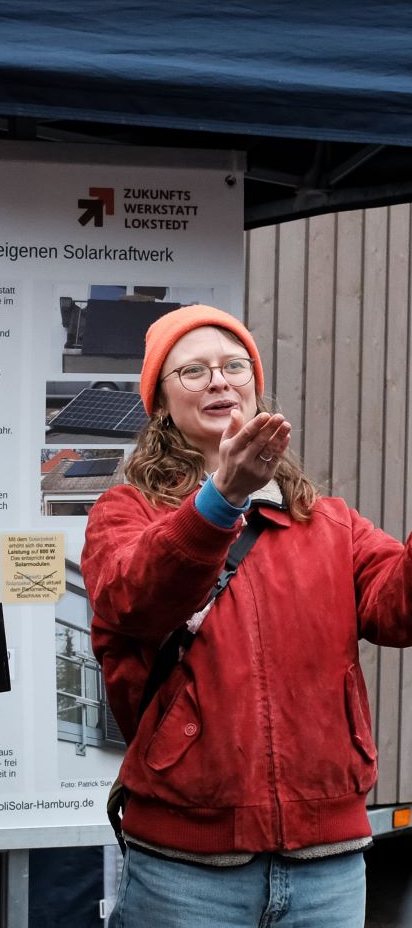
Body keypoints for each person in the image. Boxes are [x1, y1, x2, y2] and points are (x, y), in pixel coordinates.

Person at [81, 304, 412, 928]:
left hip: (329, 863)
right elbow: (134, 598)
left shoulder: (328, 522)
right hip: (185, 869)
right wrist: (219, 501)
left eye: (234, 365)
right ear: (161, 404)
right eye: (193, 371)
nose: (218, 380)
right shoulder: (124, 512)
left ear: (256, 388)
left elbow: (399, 611)